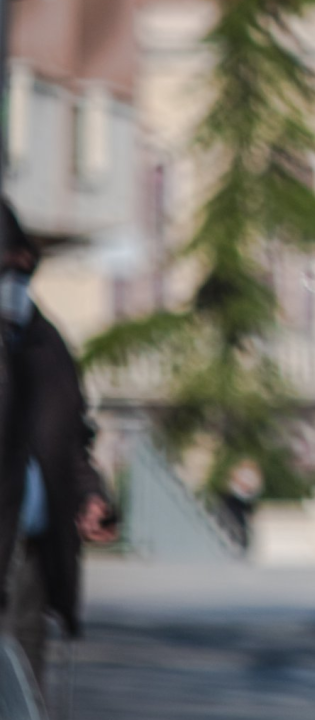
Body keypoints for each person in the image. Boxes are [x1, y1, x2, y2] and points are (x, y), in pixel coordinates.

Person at [0, 200, 116, 686]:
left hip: (30, 550)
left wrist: (92, 494)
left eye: (22, 263)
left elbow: (72, 437)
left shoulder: (46, 343)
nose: (17, 275)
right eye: (6, 265)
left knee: (24, 684)